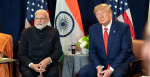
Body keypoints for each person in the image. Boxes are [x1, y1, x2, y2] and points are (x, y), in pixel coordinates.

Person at [79, 4, 141, 77]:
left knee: (118, 74)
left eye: (103, 12)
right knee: (83, 72)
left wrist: (111, 69)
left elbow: (125, 52)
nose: (101, 16)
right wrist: (98, 67)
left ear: (110, 14)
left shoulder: (123, 28)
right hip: (102, 62)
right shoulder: (93, 29)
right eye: (98, 14)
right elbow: (92, 51)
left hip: (122, 62)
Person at [18, 9, 62, 77]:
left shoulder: (54, 31)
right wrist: (31, 65)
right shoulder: (26, 32)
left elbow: (58, 51)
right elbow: (21, 54)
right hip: (30, 64)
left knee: (53, 74)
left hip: (48, 64)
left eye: (42, 18)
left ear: (47, 20)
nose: (39, 21)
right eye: (37, 18)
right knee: (28, 75)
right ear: (34, 19)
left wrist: (48, 60)